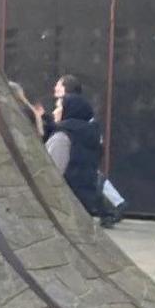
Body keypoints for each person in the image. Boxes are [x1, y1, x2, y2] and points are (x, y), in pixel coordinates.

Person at [45, 92, 108, 220]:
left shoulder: (62, 137)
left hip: (60, 203)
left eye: (58, 108)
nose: (54, 112)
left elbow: (52, 174)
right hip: (84, 200)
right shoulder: (91, 136)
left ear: (69, 111)